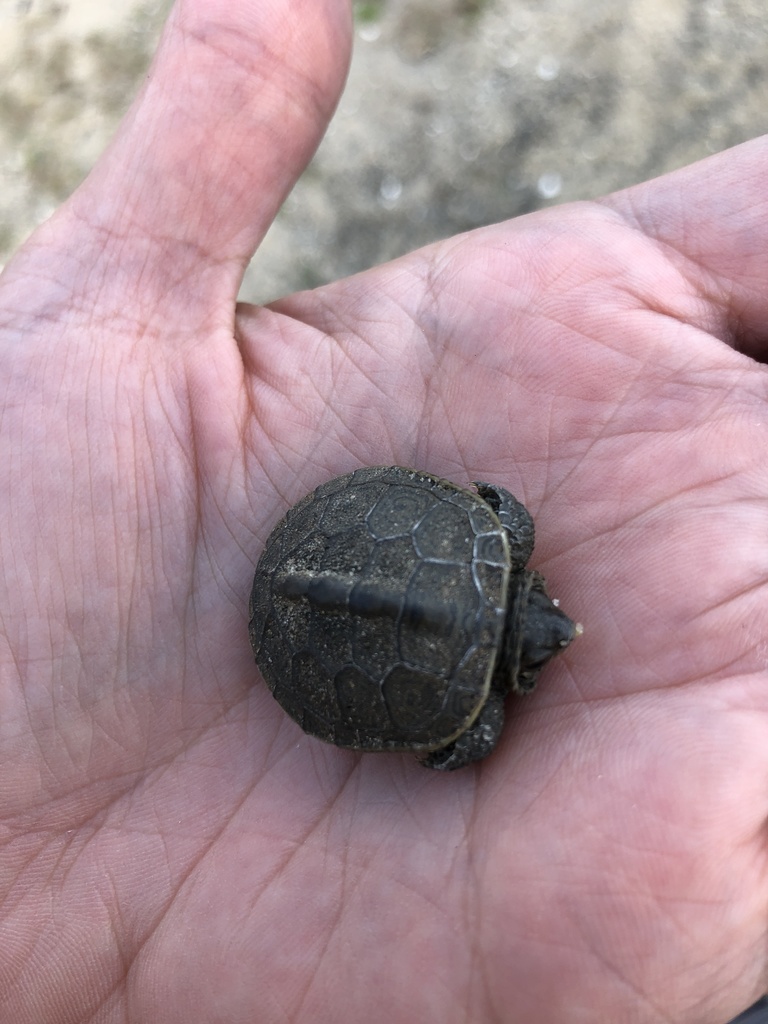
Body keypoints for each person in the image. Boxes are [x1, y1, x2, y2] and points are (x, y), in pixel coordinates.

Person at [0, 2, 765, 1021]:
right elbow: (459, 746)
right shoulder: (481, 682)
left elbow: (492, 517)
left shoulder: (500, 549)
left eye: (542, 635)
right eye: (543, 631)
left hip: (337, 562)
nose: (557, 629)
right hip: (315, 612)